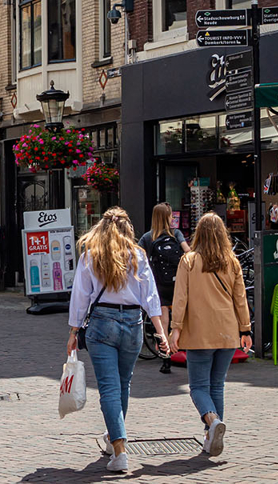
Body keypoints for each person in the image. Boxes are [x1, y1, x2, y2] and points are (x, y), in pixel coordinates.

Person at [66, 206, 171, 473]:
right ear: (129, 229)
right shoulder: (138, 256)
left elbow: (80, 295)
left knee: (109, 389)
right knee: (123, 385)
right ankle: (115, 441)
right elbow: (151, 297)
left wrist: (74, 331)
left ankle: (120, 448)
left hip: (102, 322)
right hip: (133, 324)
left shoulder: (91, 256)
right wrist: (161, 333)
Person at [169, 212, 252, 459]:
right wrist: (245, 329)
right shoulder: (232, 261)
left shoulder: (189, 261)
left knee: (197, 387)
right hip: (227, 331)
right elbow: (240, 297)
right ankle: (210, 437)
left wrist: (175, 328)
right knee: (217, 385)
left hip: (199, 332)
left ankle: (212, 421)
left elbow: (180, 298)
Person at [138, 202, 190, 374]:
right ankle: (184, 353)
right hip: (177, 284)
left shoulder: (148, 237)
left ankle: (165, 359)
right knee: (180, 320)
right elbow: (188, 253)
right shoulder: (176, 234)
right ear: (168, 217)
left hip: (159, 285)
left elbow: (137, 258)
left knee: (164, 322)